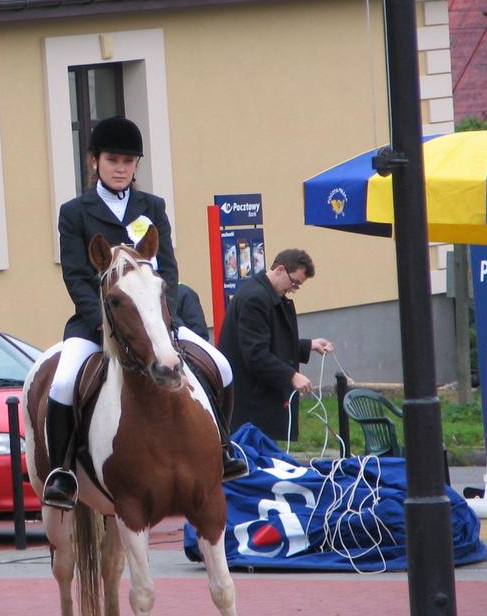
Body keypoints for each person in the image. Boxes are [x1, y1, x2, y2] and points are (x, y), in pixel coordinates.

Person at [45, 116, 246, 511]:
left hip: (156, 323)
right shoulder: (75, 212)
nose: (121, 168)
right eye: (112, 160)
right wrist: (104, 322)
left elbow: (167, 268)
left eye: (128, 161)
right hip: (98, 323)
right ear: (95, 161)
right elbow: (76, 276)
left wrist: (160, 318)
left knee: (220, 366)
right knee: (64, 382)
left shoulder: (152, 207)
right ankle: (63, 472)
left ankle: (223, 447)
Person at [217, 248, 335, 442]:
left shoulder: (263, 293)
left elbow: (273, 342)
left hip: (256, 401)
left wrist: (309, 345)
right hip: (250, 405)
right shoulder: (255, 299)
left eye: (298, 286)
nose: (293, 289)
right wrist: (291, 376)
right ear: (280, 269)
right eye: (294, 282)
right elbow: (256, 355)